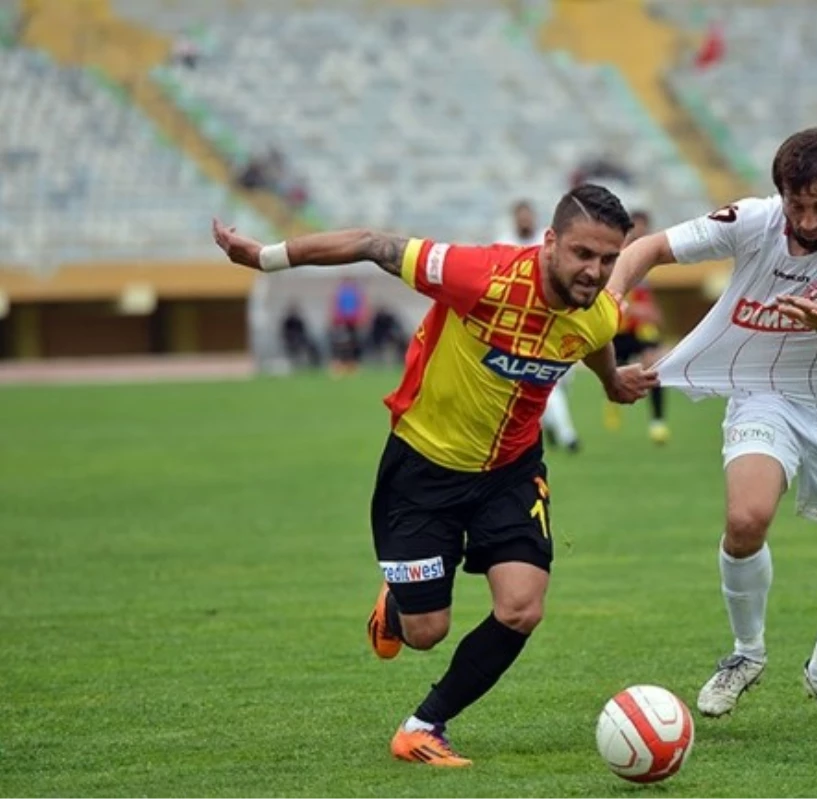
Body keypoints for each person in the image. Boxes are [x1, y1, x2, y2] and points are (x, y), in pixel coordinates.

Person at [212, 184, 657, 766]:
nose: (595, 271)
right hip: (423, 466)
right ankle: (398, 607)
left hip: (512, 471)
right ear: (550, 242)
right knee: (425, 632)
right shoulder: (479, 275)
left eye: (607, 259)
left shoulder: (598, 310)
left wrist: (611, 380)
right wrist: (266, 258)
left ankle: (423, 726)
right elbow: (373, 244)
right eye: (582, 254)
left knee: (522, 606)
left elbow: (595, 337)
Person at [608, 127, 817, 723]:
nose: (804, 219)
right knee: (746, 518)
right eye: (794, 204)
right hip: (764, 394)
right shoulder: (753, 220)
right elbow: (644, 249)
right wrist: (611, 301)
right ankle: (745, 655)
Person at [496, 199, 582, 454]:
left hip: (553, 317)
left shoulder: (548, 241)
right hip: (522, 323)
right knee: (545, 380)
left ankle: (549, 426)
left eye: (527, 216)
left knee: (562, 380)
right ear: (514, 218)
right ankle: (569, 437)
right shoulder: (504, 241)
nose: (524, 221)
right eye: (520, 216)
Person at [606, 209, 669, 444]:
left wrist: (651, 313)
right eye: (637, 229)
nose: (642, 233)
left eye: (645, 228)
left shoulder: (650, 258)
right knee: (613, 371)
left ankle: (658, 422)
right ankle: (610, 397)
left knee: (653, 366)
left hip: (640, 328)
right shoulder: (616, 257)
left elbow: (647, 298)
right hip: (617, 325)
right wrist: (632, 309)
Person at [329, 277, 367, 375]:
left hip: (351, 321)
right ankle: (341, 364)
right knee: (343, 344)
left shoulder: (353, 292)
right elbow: (336, 306)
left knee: (353, 343)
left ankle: (351, 364)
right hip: (344, 321)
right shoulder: (343, 292)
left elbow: (359, 306)